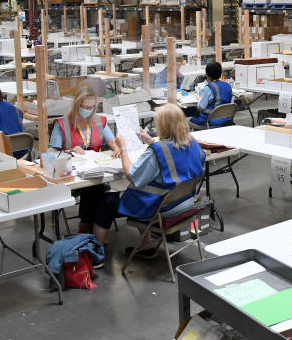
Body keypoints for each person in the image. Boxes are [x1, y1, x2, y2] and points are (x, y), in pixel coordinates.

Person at [109, 103, 206, 258]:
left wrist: (122, 149)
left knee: (117, 197)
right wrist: (151, 142)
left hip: (163, 208)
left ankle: (145, 244)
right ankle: (145, 244)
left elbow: (132, 176)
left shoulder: (157, 151)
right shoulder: (193, 142)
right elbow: (175, 156)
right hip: (187, 201)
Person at [50, 87, 120, 242]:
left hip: (92, 166)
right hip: (70, 171)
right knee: (96, 187)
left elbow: (110, 140)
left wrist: (115, 147)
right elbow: (52, 153)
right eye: (85, 107)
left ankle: (89, 225)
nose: (88, 111)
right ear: (77, 106)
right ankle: (92, 225)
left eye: (91, 108)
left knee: (95, 184)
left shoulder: (99, 121)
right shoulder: (62, 124)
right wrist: (69, 151)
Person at [189, 62, 234, 127]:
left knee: (186, 121)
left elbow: (201, 107)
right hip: (226, 120)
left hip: (209, 121)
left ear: (207, 75)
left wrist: (201, 97)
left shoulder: (209, 88)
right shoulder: (228, 86)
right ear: (220, 73)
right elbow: (231, 104)